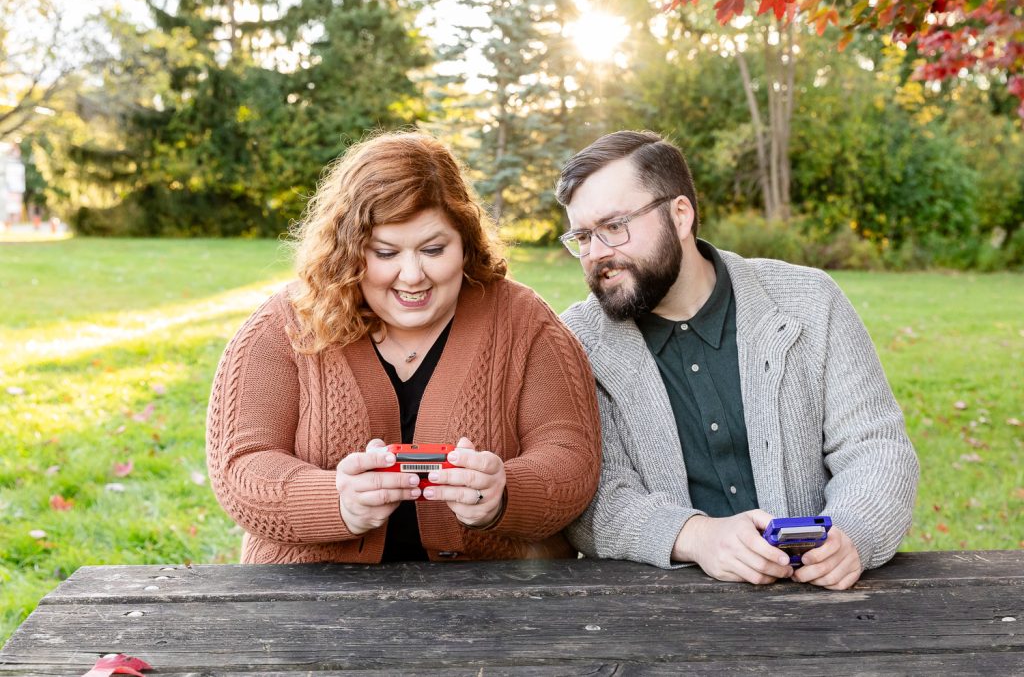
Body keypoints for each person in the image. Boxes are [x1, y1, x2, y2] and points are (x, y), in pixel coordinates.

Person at [206, 131, 601, 563]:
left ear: (465, 242)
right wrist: (335, 502)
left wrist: (504, 493)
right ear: (348, 250)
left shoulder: (525, 322)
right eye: (386, 252)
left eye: (433, 249)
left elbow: (571, 460)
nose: (412, 275)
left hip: (496, 600)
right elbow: (241, 465)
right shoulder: (286, 325)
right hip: (310, 602)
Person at [555, 130, 919, 589]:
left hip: (819, 599)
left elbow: (876, 446)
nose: (597, 254)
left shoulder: (809, 300)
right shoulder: (575, 342)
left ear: (680, 215)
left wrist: (852, 535)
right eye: (583, 236)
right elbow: (592, 500)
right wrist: (696, 537)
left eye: (614, 227)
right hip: (659, 613)